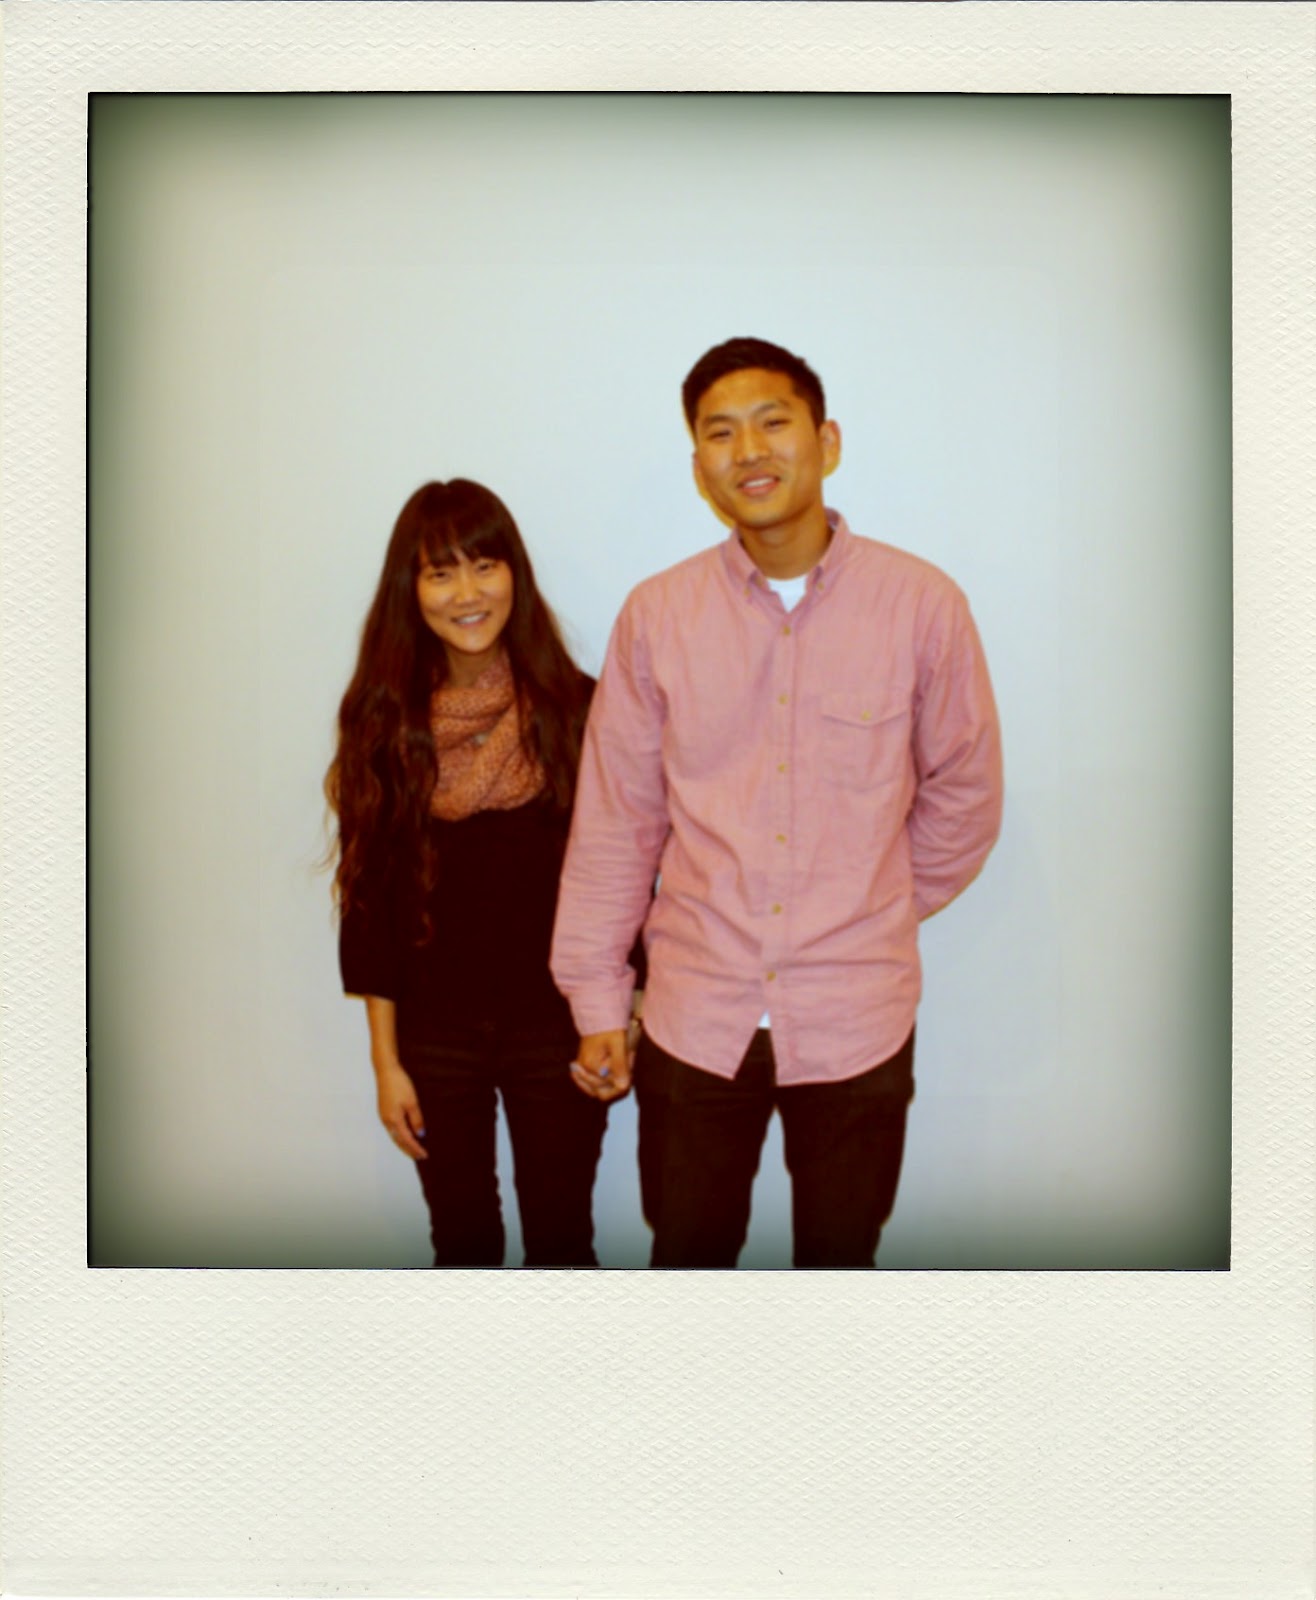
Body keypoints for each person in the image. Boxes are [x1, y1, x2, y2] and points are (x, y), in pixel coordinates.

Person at [551, 337, 1003, 1269]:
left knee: (838, 1274)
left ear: (826, 441)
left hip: (857, 1014)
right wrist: (597, 996)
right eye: (721, 434)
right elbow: (616, 822)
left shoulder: (923, 606)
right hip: (692, 1012)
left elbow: (965, 795)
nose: (749, 451)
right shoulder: (657, 616)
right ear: (700, 468)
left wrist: (872, 903)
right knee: (688, 1262)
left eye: (772, 423)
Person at [327, 478, 608, 1267]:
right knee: (461, 1248)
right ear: (410, 590)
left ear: (514, 574)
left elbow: (622, 876)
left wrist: (619, 1015)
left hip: (557, 1029)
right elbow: (369, 902)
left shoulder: (578, 710)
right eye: (440, 572)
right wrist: (385, 1063)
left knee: (563, 1245)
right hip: (434, 1037)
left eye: (484, 565)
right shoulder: (384, 723)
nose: (467, 593)